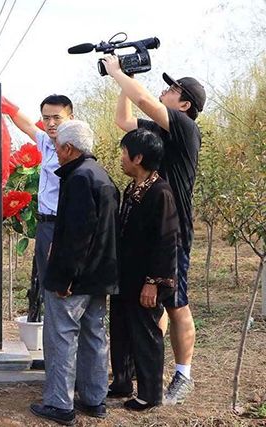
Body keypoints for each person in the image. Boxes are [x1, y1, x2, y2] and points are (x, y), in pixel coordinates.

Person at [103, 56, 206, 404]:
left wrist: (118, 72)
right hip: (151, 229)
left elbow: (145, 99)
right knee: (150, 305)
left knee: (176, 303)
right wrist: (124, 81)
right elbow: (123, 120)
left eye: (173, 89)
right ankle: (142, 372)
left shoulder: (185, 129)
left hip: (172, 231)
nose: (165, 91)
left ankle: (183, 374)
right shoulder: (159, 131)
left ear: (185, 104)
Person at [30, 120, 120, 425]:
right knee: (95, 334)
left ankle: (60, 404)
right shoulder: (101, 175)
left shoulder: (79, 178)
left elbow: (78, 236)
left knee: (61, 336)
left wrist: (66, 276)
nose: (55, 151)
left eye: (57, 147)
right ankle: (94, 399)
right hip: (99, 274)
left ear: (69, 148)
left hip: (76, 278)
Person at [109, 129, 179, 411]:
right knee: (122, 329)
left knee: (146, 334)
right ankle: (122, 382)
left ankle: (150, 393)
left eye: (124, 153)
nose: (121, 159)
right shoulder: (133, 188)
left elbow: (167, 241)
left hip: (145, 279)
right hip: (126, 275)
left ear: (138, 157)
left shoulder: (160, 192)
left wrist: (153, 282)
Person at [1, 95, 73, 285]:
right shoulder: (47, 143)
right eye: (46, 118)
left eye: (57, 118)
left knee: (61, 283)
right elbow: (26, 126)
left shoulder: (74, 151)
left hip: (64, 225)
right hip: (45, 224)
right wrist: (7, 106)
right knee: (47, 282)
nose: (51, 123)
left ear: (70, 118)